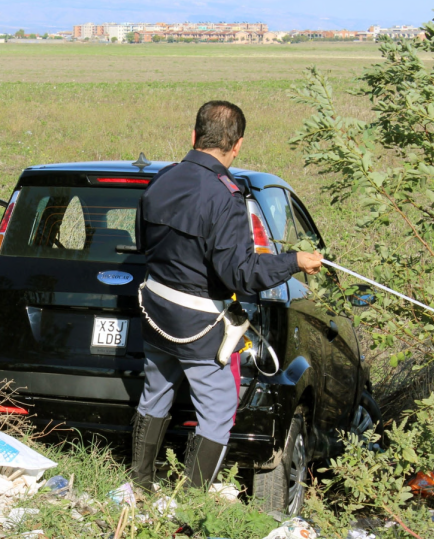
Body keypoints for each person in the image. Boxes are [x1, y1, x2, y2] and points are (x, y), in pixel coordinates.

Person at [131, 101, 323, 491]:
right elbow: (241, 274)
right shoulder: (226, 197)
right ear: (237, 146)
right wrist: (293, 260)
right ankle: (192, 503)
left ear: (194, 137)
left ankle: (139, 484)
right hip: (198, 323)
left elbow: (142, 243)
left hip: (153, 309)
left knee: (155, 395)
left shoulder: (161, 179)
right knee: (217, 411)